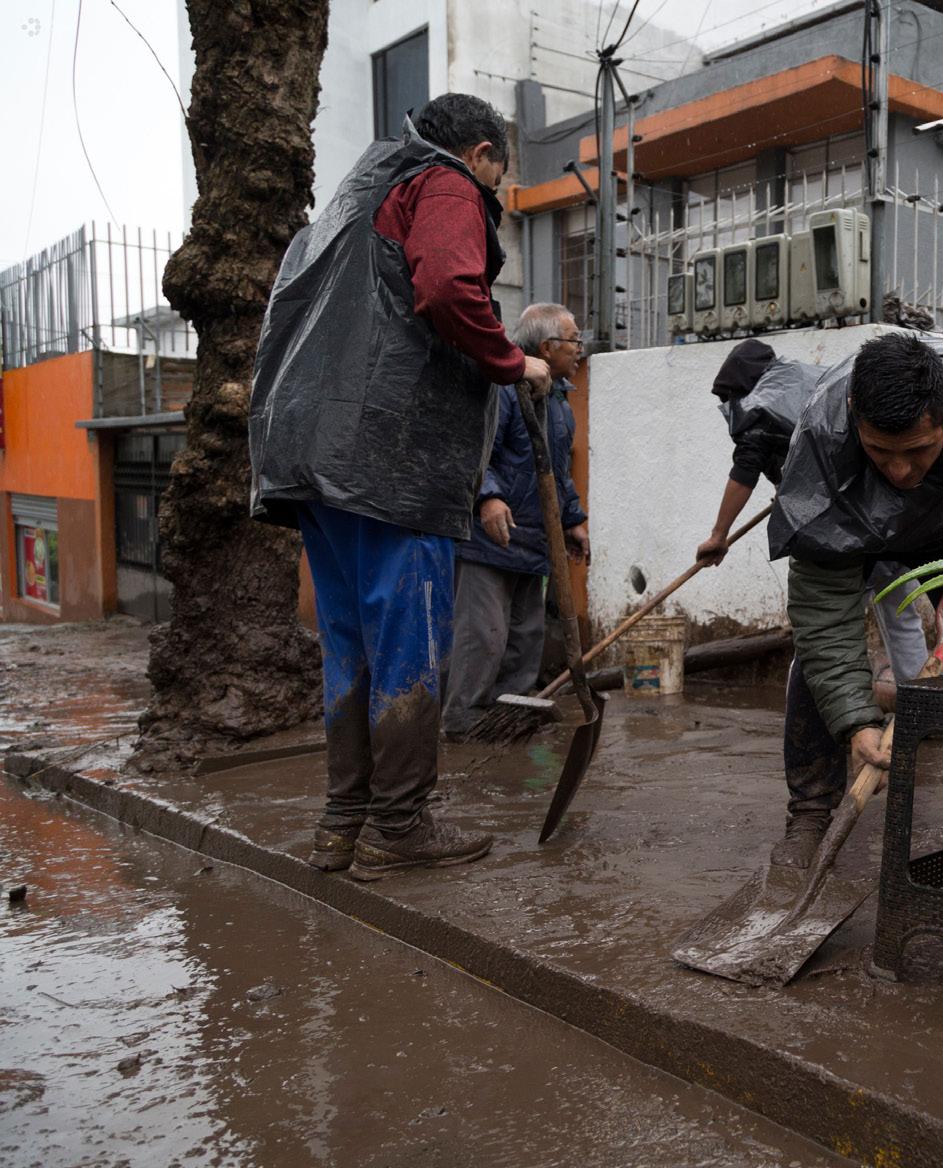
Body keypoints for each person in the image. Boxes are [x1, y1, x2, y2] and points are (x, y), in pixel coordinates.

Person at [248, 93, 552, 880]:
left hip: (314, 456)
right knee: (408, 640)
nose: (494, 188)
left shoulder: (355, 197)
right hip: (391, 461)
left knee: (350, 645)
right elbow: (448, 288)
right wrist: (513, 361)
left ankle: (342, 823)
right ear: (481, 155)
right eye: (499, 174)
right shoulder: (443, 182)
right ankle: (400, 826)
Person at [766, 333, 943, 866]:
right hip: (859, 533)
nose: (899, 471)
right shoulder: (820, 444)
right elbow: (824, 608)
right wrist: (857, 721)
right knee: (818, 660)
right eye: (880, 451)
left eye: (917, 450)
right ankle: (809, 814)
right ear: (854, 414)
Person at [695, 339, 929, 689]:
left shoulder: (759, 407)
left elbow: (743, 474)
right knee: (900, 611)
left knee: (825, 628)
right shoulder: (813, 381)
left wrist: (718, 535)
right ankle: (920, 698)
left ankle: (809, 711)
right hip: (888, 515)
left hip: (840, 532)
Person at [441, 304, 590, 739]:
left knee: (526, 637)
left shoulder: (559, 400)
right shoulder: (503, 387)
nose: (580, 349)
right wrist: (487, 497)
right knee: (483, 636)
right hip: (490, 539)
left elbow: (557, 471)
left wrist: (572, 520)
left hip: (534, 539)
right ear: (546, 347)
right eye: (574, 340)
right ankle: (463, 720)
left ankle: (510, 716)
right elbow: (475, 448)